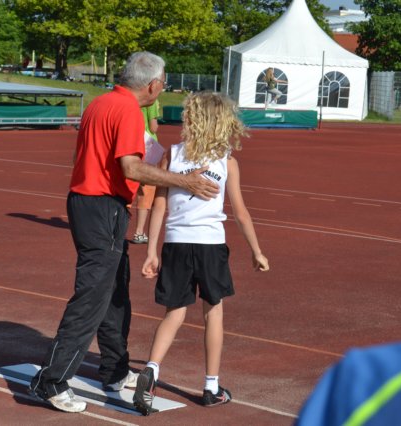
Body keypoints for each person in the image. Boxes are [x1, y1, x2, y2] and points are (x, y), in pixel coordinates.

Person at [28, 52, 219, 414]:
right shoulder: (128, 110)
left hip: (92, 203)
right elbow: (131, 167)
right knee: (93, 295)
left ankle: (115, 370)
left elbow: (87, 157)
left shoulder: (100, 103)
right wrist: (183, 181)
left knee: (115, 292)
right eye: (164, 82)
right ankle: (52, 379)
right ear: (154, 85)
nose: (163, 88)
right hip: (101, 206)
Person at [132, 92, 270, 416]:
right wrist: (257, 251)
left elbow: (159, 204)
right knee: (213, 313)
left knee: (174, 313)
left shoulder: (172, 155)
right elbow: (240, 212)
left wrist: (151, 250)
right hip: (210, 245)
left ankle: (151, 369)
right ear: (223, 123)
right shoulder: (227, 161)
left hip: (176, 243)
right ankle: (211, 386)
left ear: (192, 120)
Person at [132, 99, 161, 244]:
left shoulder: (131, 98)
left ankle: (115, 228)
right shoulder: (152, 100)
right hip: (147, 144)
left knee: (127, 186)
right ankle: (139, 231)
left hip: (131, 142)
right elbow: (153, 127)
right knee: (146, 190)